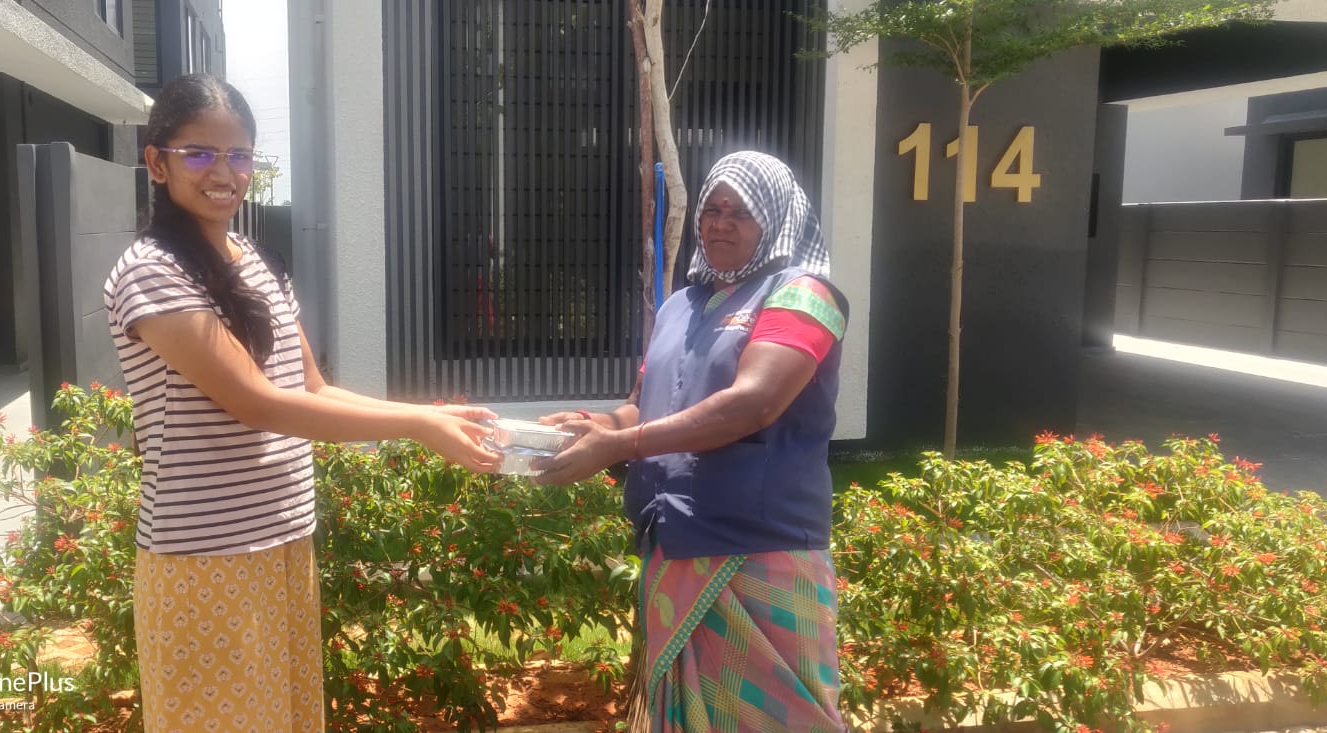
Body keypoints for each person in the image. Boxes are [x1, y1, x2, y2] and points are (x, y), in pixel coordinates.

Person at [102, 73, 499, 733]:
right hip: (206, 556)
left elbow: (311, 389)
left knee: (286, 717)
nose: (223, 172)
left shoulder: (254, 261)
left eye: (238, 154)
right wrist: (416, 426)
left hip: (283, 538)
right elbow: (258, 404)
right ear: (156, 162)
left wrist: (431, 414)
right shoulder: (153, 271)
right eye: (199, 153)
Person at [536, 151, 850, 732]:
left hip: (761, 547)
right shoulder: (681, 305)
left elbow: (754, 403)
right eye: (712, 209)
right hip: (675, 541)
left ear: (775, 219)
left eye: (741, 212)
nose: (720, 224)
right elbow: (645, 404)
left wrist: (621, 446)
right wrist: (595, 426)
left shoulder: (803, 295)